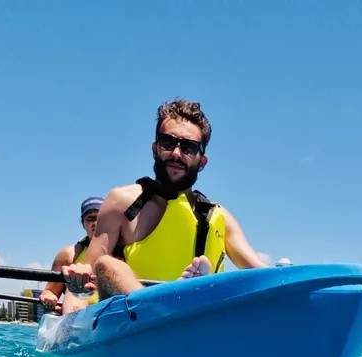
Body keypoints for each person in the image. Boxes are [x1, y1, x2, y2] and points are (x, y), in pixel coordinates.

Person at [40, 99, 264, 314]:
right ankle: (159, 309)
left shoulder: (218, 215)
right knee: (107, 264)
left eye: (188, 147)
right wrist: (74, 306)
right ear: (155, 149)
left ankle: (185, 297)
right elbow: (89, 271)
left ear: (202, 161)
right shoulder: (121, 201)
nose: (176, 153)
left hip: (198, 316)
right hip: (127, 318)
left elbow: (262, 273)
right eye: (168, 143)